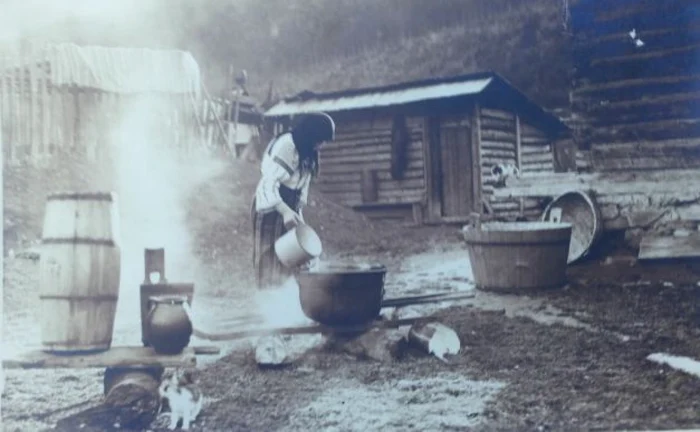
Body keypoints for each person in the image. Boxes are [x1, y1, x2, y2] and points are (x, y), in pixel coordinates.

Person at [251, 112, 335, 290]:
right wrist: (284, 210)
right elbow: (266, 185)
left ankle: (289, 301)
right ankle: (268, 302)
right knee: (270, 257)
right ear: (310, 134)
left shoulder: (308, 152)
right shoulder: (288, 146)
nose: (321, 145)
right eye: (320, 140)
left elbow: (301, 189)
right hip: (270, 207)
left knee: (297, 256)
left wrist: (297, 215)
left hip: (290, 207)